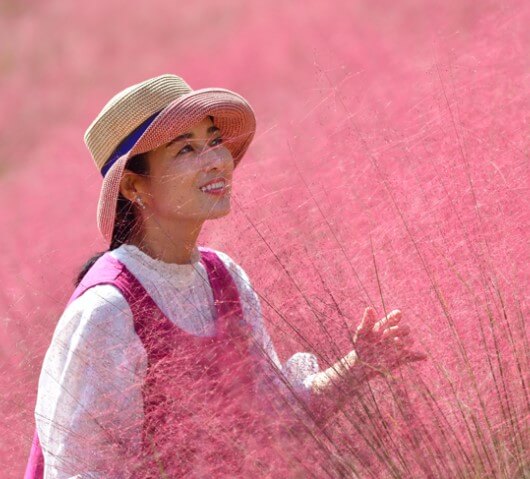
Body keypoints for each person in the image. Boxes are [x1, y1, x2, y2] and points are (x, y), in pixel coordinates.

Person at [24, 74, 425, 479]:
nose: (216, 160)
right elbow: (83, 471)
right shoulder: (109, 311)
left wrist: (358, 366)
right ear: (133, 186)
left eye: (214, 141)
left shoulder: (223, 276)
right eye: (186, 149)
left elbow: (274, 420)